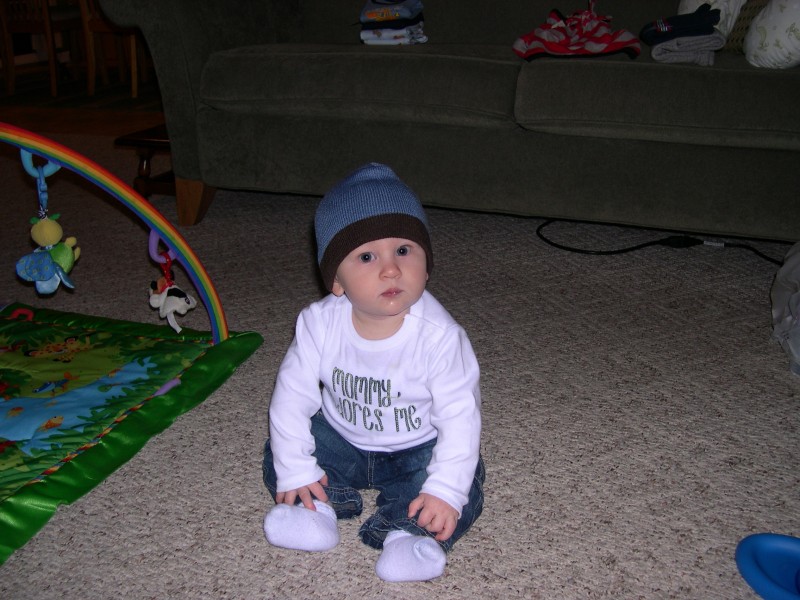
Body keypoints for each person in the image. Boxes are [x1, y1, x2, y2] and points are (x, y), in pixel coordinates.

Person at [262, 162, 484, 583]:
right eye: (366, 256)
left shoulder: (441, 337)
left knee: (461, 480)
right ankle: (318, 510)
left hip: (416, 446)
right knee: (282, 449)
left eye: (404, 250)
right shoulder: (317, 324)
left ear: (426, 262)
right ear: (337, 281)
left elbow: (460, 417)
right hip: (342, 436)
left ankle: (406, 534)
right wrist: (296, 468)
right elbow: (290, 398)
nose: (390, 269)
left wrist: (445, 491)